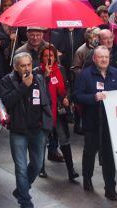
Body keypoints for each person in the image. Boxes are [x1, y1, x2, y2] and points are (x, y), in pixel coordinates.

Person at [0, 52, 52, 208]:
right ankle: (25, 201)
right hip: (18, 131)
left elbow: (45, 101)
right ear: (16, 67)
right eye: (23, 66)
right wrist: (24, 86)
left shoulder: (39, 78)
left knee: (36, 165)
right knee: (21, 168)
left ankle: (21, 190)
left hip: (38, 130)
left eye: (29, 64)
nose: (27, 68)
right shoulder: (7, 80)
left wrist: (47, 124)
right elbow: (7, 102)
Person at [74, 46, 117, 200]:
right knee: (90, 153)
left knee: (109, 156)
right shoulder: (85, 75)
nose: (104, 60)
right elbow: (76, 96)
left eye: (106, 57)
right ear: (94, 59)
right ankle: (87, 178)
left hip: (110, 124)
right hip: (92, 121)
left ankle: (110, 188)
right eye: (100, 57)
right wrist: (93, 98)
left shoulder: (116, 73)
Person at [38, 44, 78, 183]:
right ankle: (40, 167)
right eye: (45, 56)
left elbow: (67, 87)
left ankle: (71, 170)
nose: (48, 58)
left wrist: (67, 97)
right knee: (42, 141)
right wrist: (46, 76)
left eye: (51, 56)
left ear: (55, 57)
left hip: (59, 110)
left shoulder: (60, 69)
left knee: (64, 140)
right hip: (44, 112)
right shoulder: (37, 72)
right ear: (41, 58)